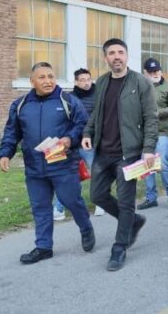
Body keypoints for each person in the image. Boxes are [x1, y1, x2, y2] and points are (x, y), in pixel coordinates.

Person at [0, 62, 95, 264]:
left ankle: (86, 228)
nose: (48, 81)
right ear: (32, 81)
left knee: (71, 201)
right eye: (42, 77)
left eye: (51, 76)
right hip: (34, 168)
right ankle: (43, 247)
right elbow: (12, 132)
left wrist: (69, 139)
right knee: (40, 207)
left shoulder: (68, 101)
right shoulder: (20, 105)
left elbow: (82, 124)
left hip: (63, 165)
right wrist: (5, 153)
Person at [81, 38, 158, 272]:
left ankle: (120, 246)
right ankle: (133, 222)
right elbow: (97, 112)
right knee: (97, 195)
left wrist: (148, 150)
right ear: (105, 57)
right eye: (112, 53)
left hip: (129, 153)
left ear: (127, 55)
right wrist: (88, 132)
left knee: (125, 202)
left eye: (120, 52)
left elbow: (151, 118)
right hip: (103, 151)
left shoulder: (141, 82)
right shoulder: (102, 82)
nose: (117, 56)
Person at [52, 68, 104, 220]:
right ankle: (59, 208)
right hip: (73, 143)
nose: (87, 83)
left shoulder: (98, 96)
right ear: (76, 82)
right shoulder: (70, 98)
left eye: (88, 79)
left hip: (91, 143)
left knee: (96, 173)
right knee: (67, 176)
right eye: (83, 80)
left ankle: (100, 203)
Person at [138, 58, 168, 211]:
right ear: (145, 73)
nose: (155, 74)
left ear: (161, 71)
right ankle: (151, 198)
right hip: (143, 132)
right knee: (146, 164)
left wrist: (157, 113)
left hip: (161, 130)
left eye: (157, 71)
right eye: (151, 72)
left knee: (163, 163)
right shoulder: (140, 86)